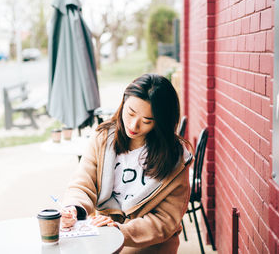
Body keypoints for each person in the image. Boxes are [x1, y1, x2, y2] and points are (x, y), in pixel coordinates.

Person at [61, 74, 193, 253]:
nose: (134, 125)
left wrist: (119, 230)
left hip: (149, 243)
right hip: (104, 233)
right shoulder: (103, 139)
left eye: (147, 121)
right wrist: (74, 208)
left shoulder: (174, 158)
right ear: (123, 102)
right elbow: (83, 183)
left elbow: (165, 220)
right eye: (130, 112)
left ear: (161, 122)